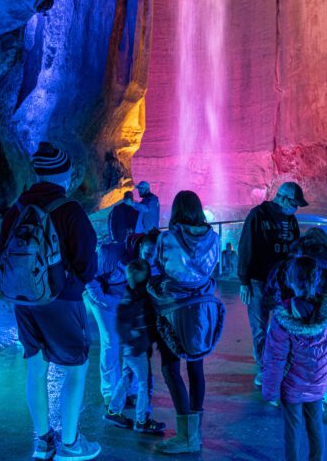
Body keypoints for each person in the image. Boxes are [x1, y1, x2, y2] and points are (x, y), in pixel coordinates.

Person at [0, 141, 100, 461]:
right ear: (63, 175)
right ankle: (70, 443)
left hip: (24, 302)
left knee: (36, 369)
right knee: (76, 368)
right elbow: (87, 264)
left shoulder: (16, 209)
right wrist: (73, 287)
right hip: (61, 300)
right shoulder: (69, 210)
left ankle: (43, 441)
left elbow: (1, 254)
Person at [149, 190, 224, 454]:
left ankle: (185, 437)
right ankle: (196, 433)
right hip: (201, 310)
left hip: (173, 310)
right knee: (196, 368)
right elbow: (213, 268)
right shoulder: (214, 238)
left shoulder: (166, 238)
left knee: (170, 368)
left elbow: (157, 267)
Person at [262, 256, 327, 461]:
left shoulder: (284, 315)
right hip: (318, 384)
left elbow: (275, 359)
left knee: (292, 431)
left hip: (292, 387)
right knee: (316, 427)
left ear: (290, 280)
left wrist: (271, 392)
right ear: (317, 280)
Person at [238, 181, 307, 386]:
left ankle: (278, 363)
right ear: (284, 198)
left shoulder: (291, 220)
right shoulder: (258, 215)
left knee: (282, 325)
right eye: (294, 203)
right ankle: (263, 368)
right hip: (259, 281)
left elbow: (294, 249)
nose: (295, 208)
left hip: (283, 284)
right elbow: (246, 247)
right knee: (259, 326)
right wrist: (244, 281)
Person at [103, 259, 166, 433]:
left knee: (126, 378)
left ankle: (113, 411)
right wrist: (137, 341)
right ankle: (142, 420)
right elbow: (123, 326)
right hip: (136, 349)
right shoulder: (134, 300)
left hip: (132, 349)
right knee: (145, 382)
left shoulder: (133, 296)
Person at [83, 242, 128, 408]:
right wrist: (112, 302)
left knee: (133, 343)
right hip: (102, 299)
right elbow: (90, 281)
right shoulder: (105, 257)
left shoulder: (145, 258)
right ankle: (109, 390)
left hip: (126, 299)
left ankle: (131, 388)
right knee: (110, 341)